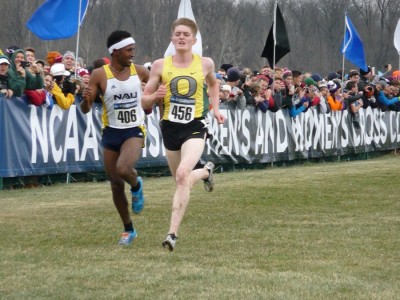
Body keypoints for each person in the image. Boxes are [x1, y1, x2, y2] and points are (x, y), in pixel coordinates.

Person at [142, 18, 225, 252]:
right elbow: (144, 99)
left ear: (194, 40)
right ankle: (207, 171)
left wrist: (215, 108)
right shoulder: (159, 66)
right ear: (172, 38)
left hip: (195, 126)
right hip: (169, 127)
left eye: (186, 34)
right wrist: (155, 96)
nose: (181, 37)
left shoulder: (205, 64)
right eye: (177, 33)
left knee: (182, 174)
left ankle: (172, 234)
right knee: (181, 181)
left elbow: (213, 86)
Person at [81, 30, 149, 246]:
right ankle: (128, 229)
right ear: (116, 51)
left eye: (133, 50)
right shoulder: (100, 75)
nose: (132, 54)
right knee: (115, 184)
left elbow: (157, 88)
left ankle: (137, 185)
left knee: (123, 169)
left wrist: (154, 97)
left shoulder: (139, 72)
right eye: (129, 50)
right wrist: (86, 100)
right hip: (111, 132)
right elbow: (85, 108)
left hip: (133, 130)